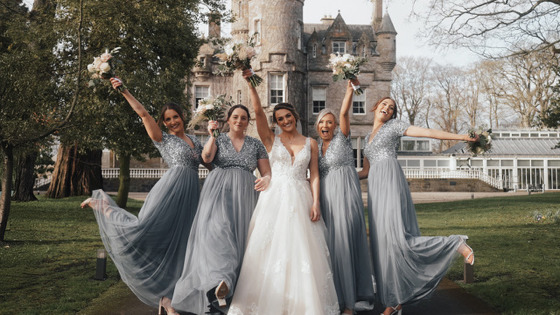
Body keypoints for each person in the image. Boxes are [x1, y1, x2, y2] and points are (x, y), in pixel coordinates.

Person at [81, 77, 203, 315]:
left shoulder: (196, 140)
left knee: (183, 245)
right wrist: (124, 90)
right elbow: (144, 114)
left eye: (175, 117)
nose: (172, 122)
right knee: (146, 232)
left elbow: (207, 162)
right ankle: (103, 206)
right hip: (171, 192)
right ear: (164, 123)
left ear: (182, 117)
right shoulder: (162, 139)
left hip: (191, 195)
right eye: (167, 119)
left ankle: (168, 300)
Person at [228, 70, 339, 315]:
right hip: (274, 198)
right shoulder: (270, 140)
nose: (285, 120)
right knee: (270, 248)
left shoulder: (310, 143)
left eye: (288, 116)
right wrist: (252, 85)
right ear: (276, 122)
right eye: (279, 118)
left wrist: (316, 202)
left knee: (301, 250)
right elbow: (257, 113)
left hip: (301, 198)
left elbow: (315, 174)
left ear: (295, 117)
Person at [357, 97, 476, 315]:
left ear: (393, 115)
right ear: (375, 107)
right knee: (384, 246)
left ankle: (454, 243)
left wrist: (461, 136)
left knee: (397, 240)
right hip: (375, 190)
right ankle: (394, 302)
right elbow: (365, 171)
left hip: (390, 182)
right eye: (384, 104)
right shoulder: (367, 138)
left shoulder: (394, 126)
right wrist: (336, 177)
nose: (387, 108)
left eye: (391, 108)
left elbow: (428, 133)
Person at [170, 104, 271, 314]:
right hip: (218, 193)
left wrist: (267, 179)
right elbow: (206, 158)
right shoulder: (219, 138)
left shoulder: (256, 145)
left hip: (245, 197)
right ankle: (219, 282)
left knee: (238, 241)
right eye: (235, 117)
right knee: (217, 234)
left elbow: (267, 173)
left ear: (248, 121)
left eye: (244, 118)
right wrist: (212, 136)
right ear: (228, 119)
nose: (239, 121)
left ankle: (225, 294)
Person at [316, 80, 375, 314]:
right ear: (317, 126)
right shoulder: (315, 147)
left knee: (345, 243)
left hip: (346, 198)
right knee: (329, 247)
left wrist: (349, 90)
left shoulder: (342, 137)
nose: (327, 124)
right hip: (325, 200)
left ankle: (349, 302)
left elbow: (343, 111)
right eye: (323, 121)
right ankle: (333, 297)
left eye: (330, 122)